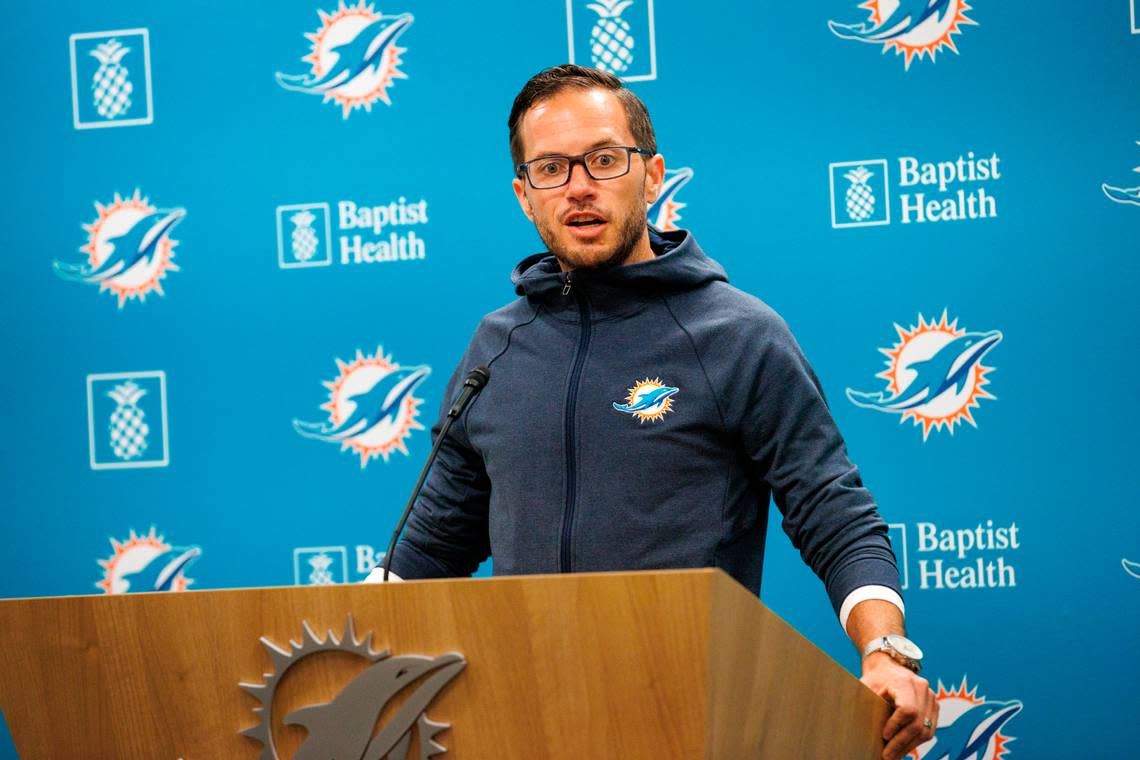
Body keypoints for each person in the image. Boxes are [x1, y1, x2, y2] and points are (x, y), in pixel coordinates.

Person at [368, 64, 937, 760]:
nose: (579, 186)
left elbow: (832, 510)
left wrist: (886, 651)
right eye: (550, 168)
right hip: (526, 725)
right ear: (524, 195)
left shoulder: (738, 335)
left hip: (692, 723)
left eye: (603, 159)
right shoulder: (497, 346)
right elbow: (427, 548)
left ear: (653, 173)